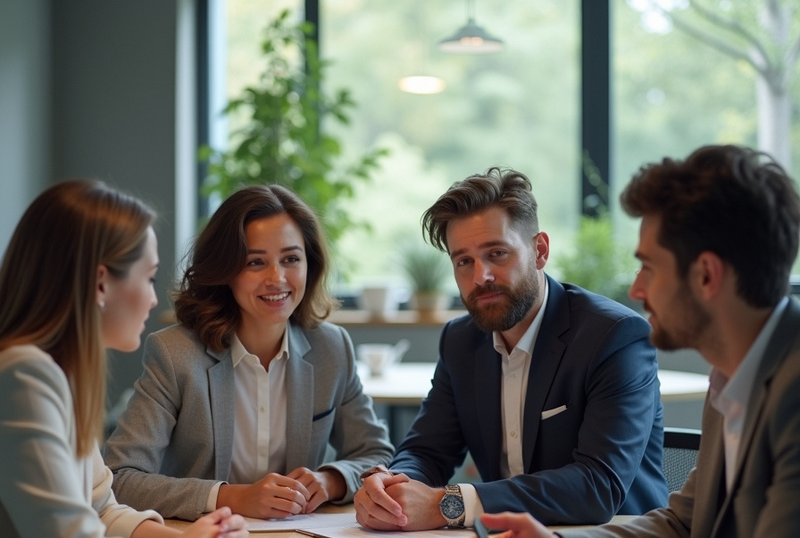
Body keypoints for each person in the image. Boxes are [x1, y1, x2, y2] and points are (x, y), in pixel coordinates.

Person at [478, 144, 800, 537]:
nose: (636, 289)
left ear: (706, 275)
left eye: (649, 267)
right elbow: (684, 524)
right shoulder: (730, 380)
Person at [354, 167, 668, 531]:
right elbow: (427, 451)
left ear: (540, 251)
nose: (480, 276)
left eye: (497, 253)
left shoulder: (615, 336)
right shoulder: (461, 341)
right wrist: (392, 487)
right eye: (463, 261)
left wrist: (450, 503)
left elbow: (597, 486)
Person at [104, 184, 394, 521]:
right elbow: (121, 478)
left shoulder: (332, 348)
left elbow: (376, 453)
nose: (277, 278)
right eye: (255, 262)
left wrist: (331, 481)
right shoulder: (175, 354)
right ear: (225, 270)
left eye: (291, 259)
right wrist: (232, 497)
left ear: (309, 265)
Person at [0, 179, 248, 538]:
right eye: (148, 278)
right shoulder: (24, 376)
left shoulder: (58, 373)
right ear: (100, 283)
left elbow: (102, 509)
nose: (152, 299)